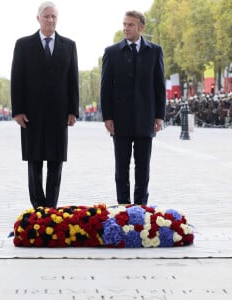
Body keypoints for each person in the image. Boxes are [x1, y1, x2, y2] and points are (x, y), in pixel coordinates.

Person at [11, 1, 79, 209]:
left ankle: (51, 206)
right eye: (47, 16)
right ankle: (37, 207)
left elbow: (72, 80)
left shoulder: (69, 45)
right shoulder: (23, 44)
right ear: (38, 18)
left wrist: (73, 111)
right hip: (31, 114)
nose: (50, 20)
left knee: (56, 161)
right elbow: (17, 79)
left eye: (54, 17)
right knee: (35, 160)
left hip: (59, 114)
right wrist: (18, 111)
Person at [100, 10, 166, 205]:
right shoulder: (111, 52)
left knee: (143, 167)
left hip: (146, 118)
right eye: (124, 24)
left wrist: (159, 116)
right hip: (120, 120)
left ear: (141, 27)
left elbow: (159, 86)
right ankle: (123, 205)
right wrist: (107, 117)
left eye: (130, 25)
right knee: (121, 167)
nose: (125, 28)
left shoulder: (155, 51)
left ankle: (141, 207)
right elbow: (105, 88)